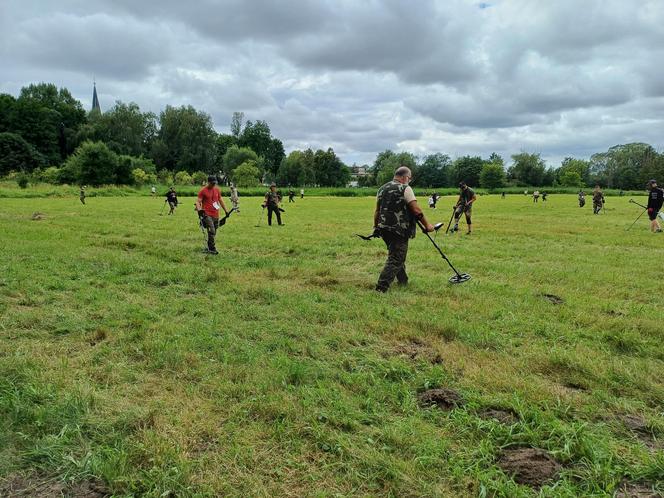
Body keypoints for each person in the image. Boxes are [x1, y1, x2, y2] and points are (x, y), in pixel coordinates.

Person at [374, 166, 434, 293]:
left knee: (396, 254)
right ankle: (381, 288)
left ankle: (403, 281)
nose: (409, 180)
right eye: (409, 178)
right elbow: (416, 209)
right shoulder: (405, 188)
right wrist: (428, 225)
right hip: (399, 229)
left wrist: (375, 227)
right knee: (396, 258)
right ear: (405, 177)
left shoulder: (382, 188)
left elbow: (377, 211)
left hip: (384, 228)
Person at [196, 175, 229, 255]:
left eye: (215, 183)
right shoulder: (203, 191)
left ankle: (209, 246)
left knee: (213, 232)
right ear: (208, 182)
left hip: (216, 214)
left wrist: (226, 210)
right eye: (212, 183)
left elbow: (220, 200)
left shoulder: (217, 190)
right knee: (212, 230)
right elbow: (198, 201)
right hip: (207, 214)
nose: (214, 184)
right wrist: (199, 210)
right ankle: (212, 249)